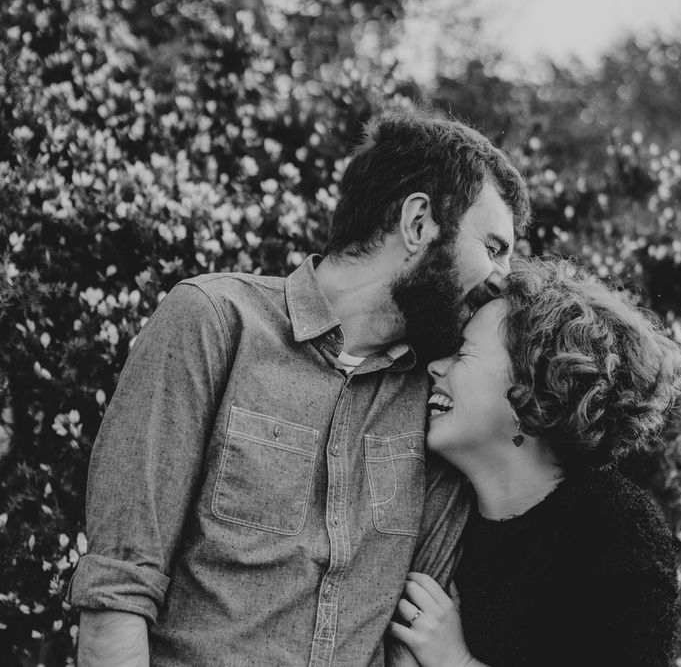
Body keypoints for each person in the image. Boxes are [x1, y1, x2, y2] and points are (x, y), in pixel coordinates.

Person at [67, 107, 530, 666]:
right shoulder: (213, 322)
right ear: (418, 224)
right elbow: (117, 594)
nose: (503, 276)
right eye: (495, 247)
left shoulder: (441, 401)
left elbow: (409, 644)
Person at [390, 256, 681, 667]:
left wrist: (456, 662)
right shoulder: (442, 502)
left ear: (530, 389)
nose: (436, 367)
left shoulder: (616, 534)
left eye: (463, 353)